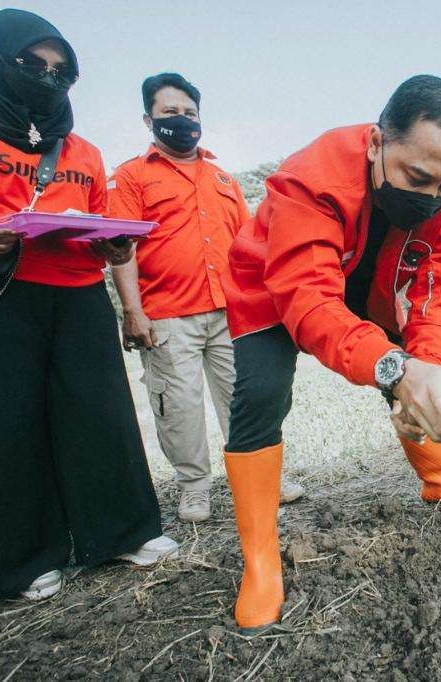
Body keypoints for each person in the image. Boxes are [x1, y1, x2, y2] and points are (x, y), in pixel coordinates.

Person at [0, 9, 177, 601]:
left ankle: (121, 531)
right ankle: (25, 560)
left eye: (61, 71)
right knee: (2, 424)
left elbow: (102, 218)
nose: (46, 77)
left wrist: (113, 242)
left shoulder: (81, 147)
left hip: (78, 291)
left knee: (99, 414)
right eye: (31, 64)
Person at [223, 75, 441, 633]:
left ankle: (437, 478)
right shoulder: (312, 177)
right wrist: (394, 368)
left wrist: (427, 363)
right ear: (376, 144)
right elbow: (309, 299)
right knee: (262, 395)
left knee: (413, 366)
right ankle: (261, 559)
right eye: (418, 177)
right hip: (275, 287)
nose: (433, 196)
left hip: (369, 283)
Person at [108, 73, 304, 523]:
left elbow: (250, 244)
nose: (182, 121)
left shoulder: (222, 178)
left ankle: (263, 475)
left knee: (247, 397)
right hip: (166, 315)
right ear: (148, 119)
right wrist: (132, 312)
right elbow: (122, 249)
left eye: (189, 113)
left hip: (231, 313)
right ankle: (194, 487)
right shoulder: (132, 177)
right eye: (169, 113)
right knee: (177, 405)